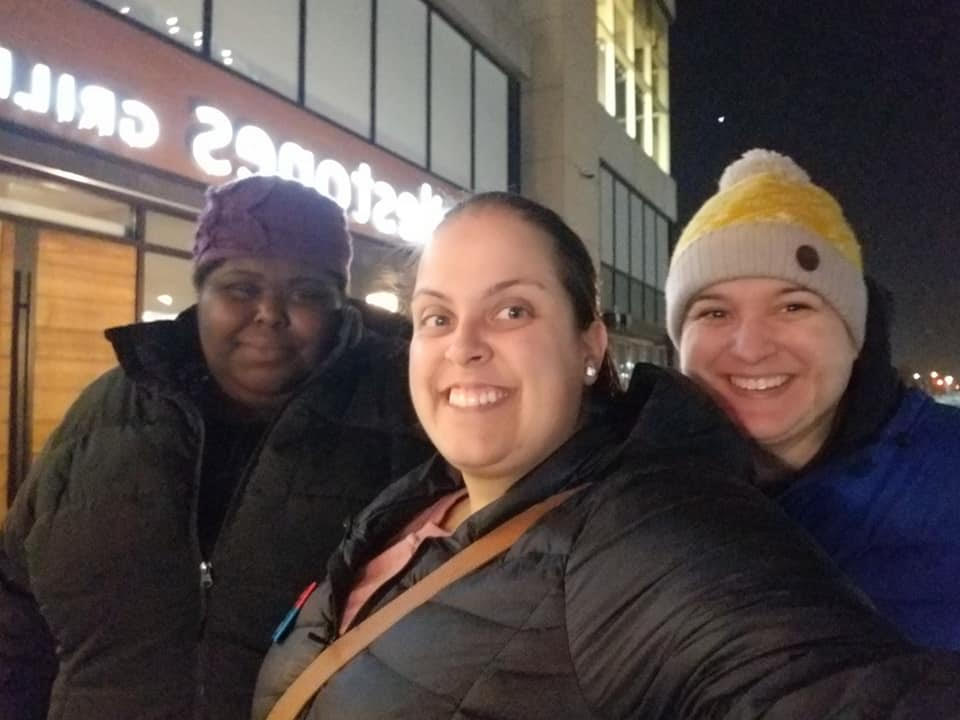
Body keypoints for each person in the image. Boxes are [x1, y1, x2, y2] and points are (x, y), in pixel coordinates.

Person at [253, 192, 960, 720]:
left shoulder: (645, 530)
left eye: (512, 311)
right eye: (436, 316)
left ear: (590, 347)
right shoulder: (415, 493)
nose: (463, 343)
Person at [0, 175, 432, 720]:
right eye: (240, 288)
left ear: (338, 306)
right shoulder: (105, 413)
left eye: (306, 293)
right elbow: (15, 608)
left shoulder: (405, 425)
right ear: (201, 293)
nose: (270, 313)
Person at [666, 148, 960, 651]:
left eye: (793, 306)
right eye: (715, 313)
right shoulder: (632, 496)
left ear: (855, 334)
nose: (752, 347)